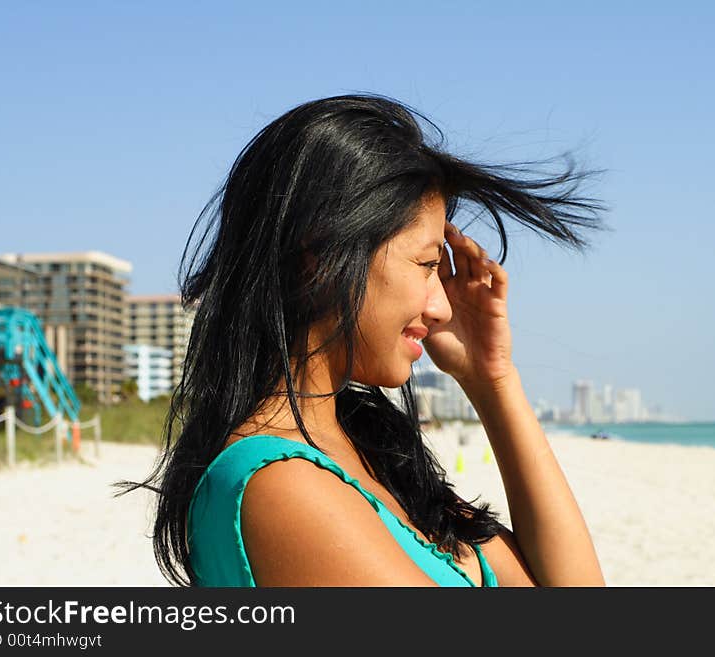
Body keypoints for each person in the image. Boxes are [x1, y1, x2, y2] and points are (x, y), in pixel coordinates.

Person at [119, 93, 606, 587]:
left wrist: (492, 379)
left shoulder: (375, 451)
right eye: (426, 265)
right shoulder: (281, 484)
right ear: (322, 254)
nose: (441, 308)